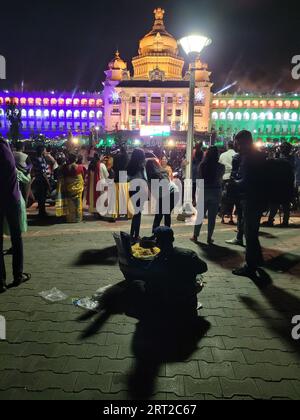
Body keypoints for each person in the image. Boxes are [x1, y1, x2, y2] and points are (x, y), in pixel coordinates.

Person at [228, 130, 267, 277]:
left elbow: (246, 181)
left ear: (244, 142)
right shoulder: (259, 155)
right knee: (253, 231)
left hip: (250, 199)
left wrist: (234, 183)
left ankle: (250, 266)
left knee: (249, 233)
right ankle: (258, 260)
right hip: (259, 199)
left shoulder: (248, 158)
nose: (237, 146)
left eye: (238, 143)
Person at [0, 137, 31, 293]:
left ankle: (1, 281)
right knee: (16, 237)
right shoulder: (5, 146)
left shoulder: (5, 146)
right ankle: (17, 275)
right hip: (11, 198)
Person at [192, 146, 225, 245]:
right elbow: (220, 179)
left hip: (204, 191)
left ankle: (195, 236)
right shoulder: (221, 166)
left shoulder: (202, 166)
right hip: (216, 192)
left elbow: (199, 180)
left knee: (200, 216)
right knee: (212, 218)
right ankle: (209, 238)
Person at [146, 159, 177, 233]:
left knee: (160, 215)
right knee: (165, 215)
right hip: (174, 193)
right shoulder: (162, 172)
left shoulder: (154, 175)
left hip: (169, 194)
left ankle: (156, 234)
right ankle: (166, 234)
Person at [56, 153, 85, 223]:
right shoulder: (80, 167)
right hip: (78, 188)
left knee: (69, 202)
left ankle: (70, 218)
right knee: (78, 202)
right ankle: (77, 218)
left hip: (68, 187)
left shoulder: (64, 168)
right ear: (76, 159)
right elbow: (82, 175)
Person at [127, 149, 148, 242]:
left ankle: (132, 234)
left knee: (136, 213)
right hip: (140, 190)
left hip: (132, 190)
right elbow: (145, 178)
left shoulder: (129, 165)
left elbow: (127, 178)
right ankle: (136, 235)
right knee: (138, 214)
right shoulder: (141, 166)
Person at [219, 141, 237, 224]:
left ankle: (222, 216)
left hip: (224, 177)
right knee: (232, 198)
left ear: (227, 146)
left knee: (223, 198)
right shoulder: (236, 155)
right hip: (233, 179)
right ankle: (230, 218)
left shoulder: (223, 155)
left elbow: (219, 166)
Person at [32, 145, 50, 217]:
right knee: (42, 196)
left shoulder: (36, 159)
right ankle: (42, 213)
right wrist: (48, 183)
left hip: (38, 179)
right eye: (44, 150)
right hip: (42, 180)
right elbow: (43, 173)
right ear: (42, 151)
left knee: (41, 196)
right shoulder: (40, 159)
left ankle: (42, 212)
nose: (45, 151)